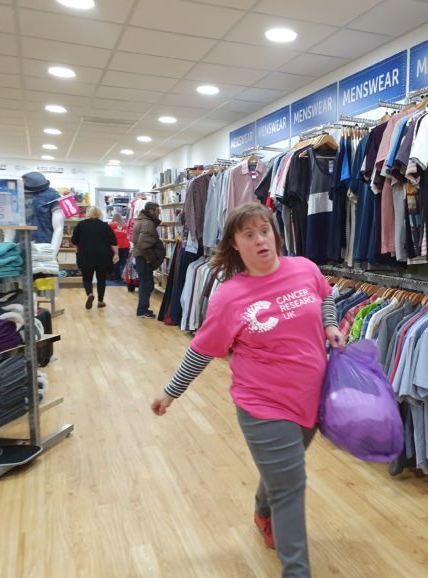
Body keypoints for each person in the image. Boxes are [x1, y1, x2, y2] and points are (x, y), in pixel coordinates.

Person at [151, 203, 344, 578]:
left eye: (265, 231)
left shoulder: (304, 268)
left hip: (310, 397)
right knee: (291, 486)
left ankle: (261, 509)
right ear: (235, 245)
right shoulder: (230, 296)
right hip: (263, 404)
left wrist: (331, 325)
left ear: (275, 233)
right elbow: (202, 349)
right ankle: (295, 570)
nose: (260, 240)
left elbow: (326, 296)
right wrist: (171, 392)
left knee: (280, 473)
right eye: (249, 235)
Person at [71, 206, 118, 309]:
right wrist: (116, 254)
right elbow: (114, 242)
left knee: (87, 279)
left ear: (88, 213)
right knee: (101, 279)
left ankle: (90, 294)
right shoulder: (105, 226)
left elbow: (74, 241)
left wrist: (79, 247)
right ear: (100, 214)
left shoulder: (81, 225)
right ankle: (100, 301)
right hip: (103, 256)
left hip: (86, 255)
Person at [131, 201, 162, 319]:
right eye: (157, 211)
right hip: (144, 257)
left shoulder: (140, 221)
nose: (158, 214)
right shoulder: (148, 224)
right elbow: (144, 244)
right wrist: (149, 259)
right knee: (147, 284)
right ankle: (142, 310)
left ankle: (143, 309)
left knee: (145, 283)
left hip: (140, 256)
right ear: (151, 211)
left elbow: (136, 240)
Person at [109, 213, 130, 281]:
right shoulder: (125, 225)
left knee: (115, 262)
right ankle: (123, 276)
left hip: (114, 247)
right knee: (123, 262)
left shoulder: (111, 225)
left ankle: (116, 276)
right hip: (125, 246)